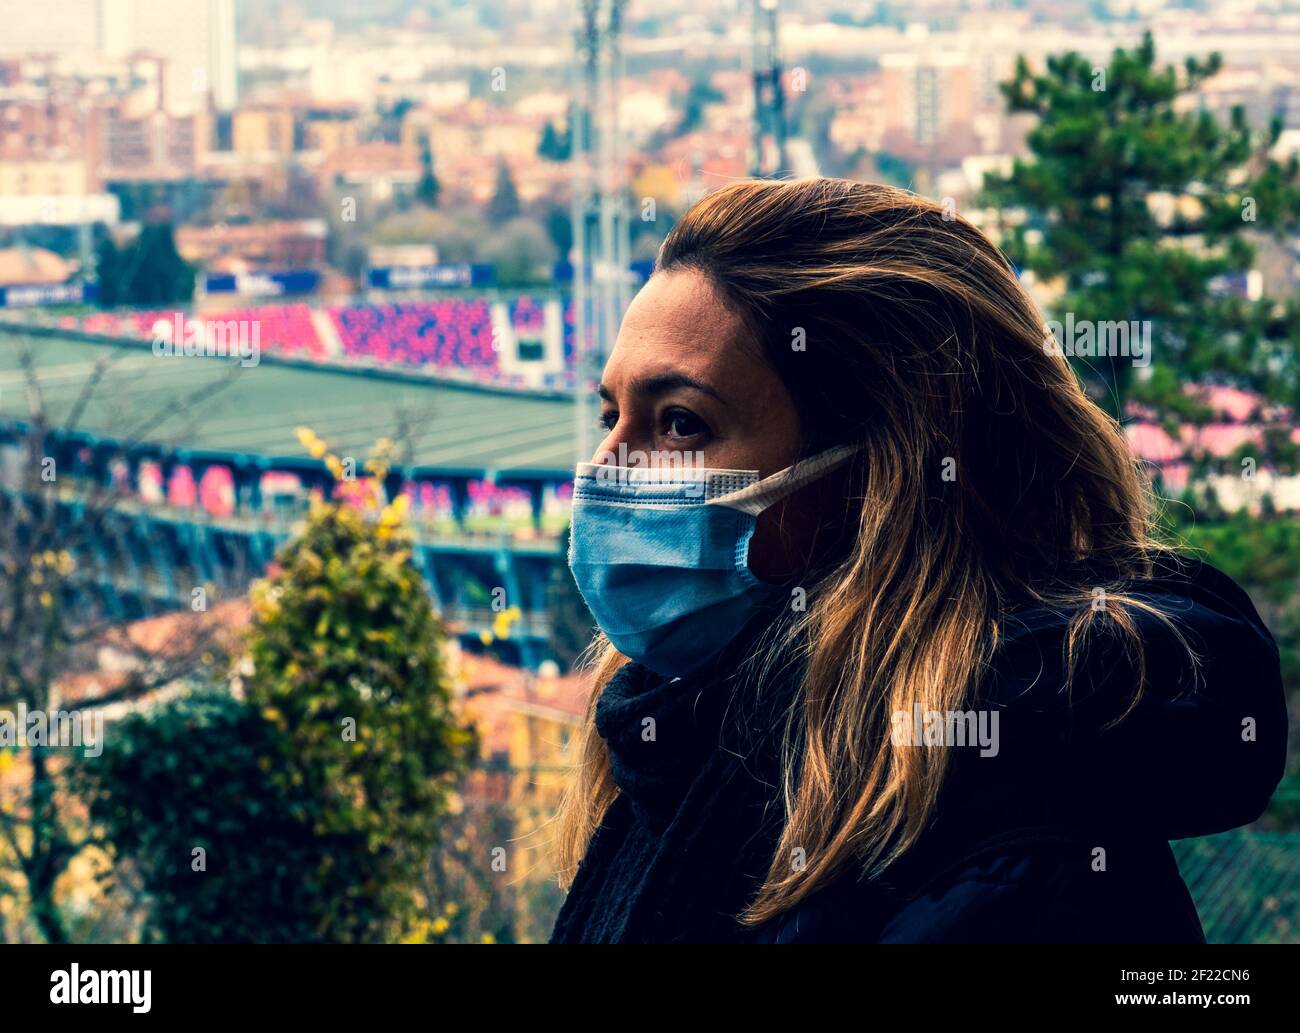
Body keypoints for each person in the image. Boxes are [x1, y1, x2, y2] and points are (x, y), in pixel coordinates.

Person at [548, 177, 1287, 944]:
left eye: (680, 423)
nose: (607, 466)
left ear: (881, 477)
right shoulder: (678, 744)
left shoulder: (1023, 867)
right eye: (612, 415)